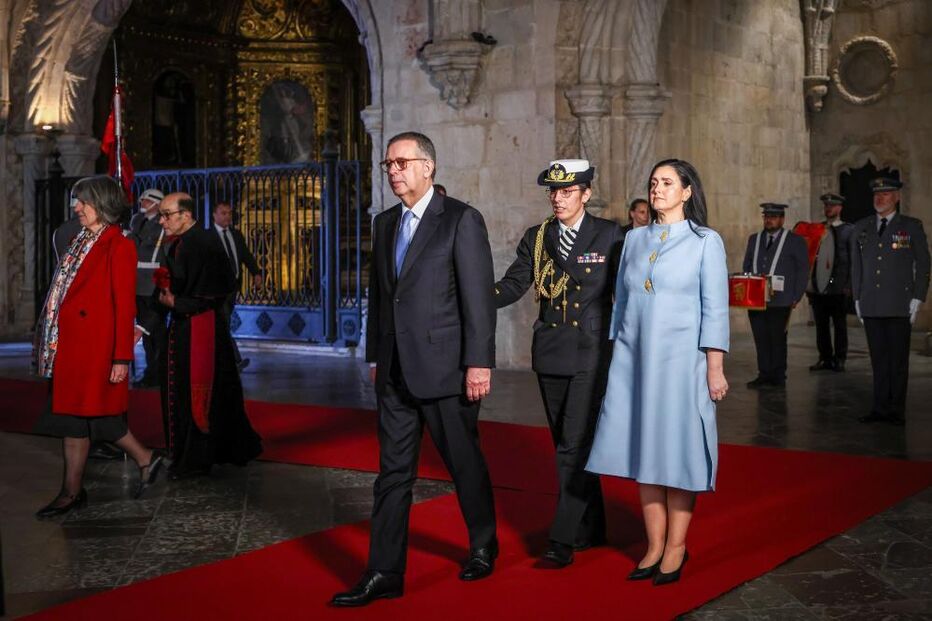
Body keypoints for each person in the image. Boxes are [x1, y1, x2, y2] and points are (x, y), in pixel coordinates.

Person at [331, 132, 497, 607]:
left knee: (463, 463)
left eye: (402, 162)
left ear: (429, 166)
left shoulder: (461, 220)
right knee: (392, 474)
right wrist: (375, 357)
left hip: (448, 370)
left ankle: (483, 544)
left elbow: (477, 300)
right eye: (388, 164)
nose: (393, 170)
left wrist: (478, 363)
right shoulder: (385, 223)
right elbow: (382, 297)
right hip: (396, 372)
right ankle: (384, 572)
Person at [586, 159, 729, 585]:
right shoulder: (632, 240)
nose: (658, 188)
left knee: (677, 454)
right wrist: (618, 357)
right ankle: (652, 545)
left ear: (687, 191)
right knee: (644, 454)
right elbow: (622, 303)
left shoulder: (706, 241)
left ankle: (676, 547)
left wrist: (714, 368)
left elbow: (715, 309)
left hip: (684, 363)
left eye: (667, 182)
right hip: (636, 362)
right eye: (653, 182)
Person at [493, 159, 622, 567]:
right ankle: (593, 525)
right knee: (570, 445)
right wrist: (472, 294)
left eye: (567, 191)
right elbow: (515, 283)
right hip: (549, 352)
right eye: (553, 191)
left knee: (572, 446)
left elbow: (627, 293)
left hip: (590, 351)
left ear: (586, 193)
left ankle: (561, 541)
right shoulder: (538, 236)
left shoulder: (609, 235)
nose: (558, 198)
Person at [33, 176, 165, 518]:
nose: (77, 207)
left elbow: (125, 305)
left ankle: (140, 461)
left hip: (96, 348)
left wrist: (122, 357)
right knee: (74, 418)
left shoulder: (119, 246)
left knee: (90, 414)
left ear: (103, 204)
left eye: (84, 202)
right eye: (77, 201)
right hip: (70, 345)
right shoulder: (77, 238)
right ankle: (74, 490)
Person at [141, 192, 262, 479]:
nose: (162, 220)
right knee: (184, 390)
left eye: (167, 215)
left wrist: (177, 303)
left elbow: (216, 290)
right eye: (161, 215)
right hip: (183, 328)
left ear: (185, 215)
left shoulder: (204, 243)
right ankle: (189, 451)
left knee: (200, 395)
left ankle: (195, 458)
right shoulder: (179, 242)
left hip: (201, 329)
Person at [851, 177, 930, 426]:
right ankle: (879, 407)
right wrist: (857, 297)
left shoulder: (910, 227)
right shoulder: (862, 228)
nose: (880, 198)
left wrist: (918, 296)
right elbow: (857, 266)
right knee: (878, 360)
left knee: (897, 361)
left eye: (886, 194)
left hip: (899, 304)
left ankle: (896, 410)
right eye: (877, 194)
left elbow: (924, 264)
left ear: (897, 197)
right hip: (872, 303)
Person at [741, 203, 809, 388]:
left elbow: (803, 270)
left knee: (777, 339)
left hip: (782, 299)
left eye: (773, 216)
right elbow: (747, 265)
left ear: (782, 219)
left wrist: (797, 295)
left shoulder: (795, 241)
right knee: (760, 338)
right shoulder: (754, 239)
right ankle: (764, 374)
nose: (769, 220)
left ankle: (778, 376)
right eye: (766, 216)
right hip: (756, 299)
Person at [209, 201, 262, 372]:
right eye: (223, 213)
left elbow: (246, 255)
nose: (227, 216)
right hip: (216, 289)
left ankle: (218, 360)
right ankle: (235, 360)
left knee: (220, 325)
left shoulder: (236, 235)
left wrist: (256, 272)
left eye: (229, 213)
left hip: (232, 288)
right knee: (223, 323)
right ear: (214, 215)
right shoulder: (208, 237)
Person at [806, 193, 855, 372]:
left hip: (839, 287)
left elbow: (852, 260)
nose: (829, 209)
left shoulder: (849, 230)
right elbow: (811, 258)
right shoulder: (817, 229)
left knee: (840, 325)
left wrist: (849, 285)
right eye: (827, 205)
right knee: (821, 326)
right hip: (819, 286)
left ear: (840, 208)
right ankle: (825, 358)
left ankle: (840, 358)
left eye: (832, 206)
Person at [128, 188, 167, 388]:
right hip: (137, 283)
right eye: (142, 199)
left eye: (147, 200)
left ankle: (158, 371)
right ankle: (152, 369)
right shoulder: (137, 221)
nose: (142, 202)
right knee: (144, 330)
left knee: (156, 330)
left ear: (157, 203)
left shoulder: (161, 224)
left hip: (152, 283)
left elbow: (145, 247)